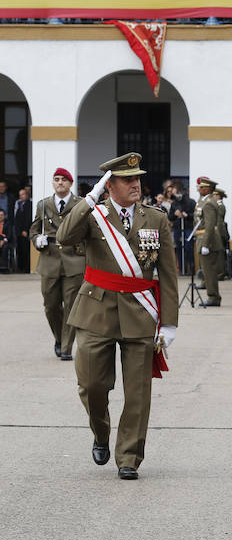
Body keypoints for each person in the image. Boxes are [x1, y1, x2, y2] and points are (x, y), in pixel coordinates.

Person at [56, 152, 178, 481]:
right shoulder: (93, 214)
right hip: (96, 310)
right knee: (92, 385)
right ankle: (100, 432)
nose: (136, 184)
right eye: (127, 180)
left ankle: (129, 456)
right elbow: (64, 237)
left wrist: (169, 323)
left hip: (140, 313)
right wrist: (89, 198)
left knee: (138, 391)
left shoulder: (155, 218)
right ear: (109, 185)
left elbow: (167, 273)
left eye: (137, 178)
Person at [29, 168, 86, 361]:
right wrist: (37, 240)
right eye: (56, 179)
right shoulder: (43, 205)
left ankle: (67, 348)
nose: (60, 182)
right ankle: (59, 339)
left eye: (63, 179)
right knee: (51, 305)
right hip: (50, 260)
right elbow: (34, 230)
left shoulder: (80, 204)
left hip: (74, 260)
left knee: (71, 305)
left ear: (71, 183)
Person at [194, 177, 222, 307]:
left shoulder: (209, 203)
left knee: (209, 271)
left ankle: (214, 297)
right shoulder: (203, 201)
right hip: (202, 238)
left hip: (208, 241)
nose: (199, 189)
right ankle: (212, 296)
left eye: (201, 187)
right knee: (206, 271)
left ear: (208, 189)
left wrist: (205, 244)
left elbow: (210, 226)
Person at [14, 188, 32, 272]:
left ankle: (26, 268)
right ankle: (20, 268)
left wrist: (25, 230)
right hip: (19, 232)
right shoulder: (19, 204)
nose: (21, 196)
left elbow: (28, 219)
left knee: (26, 251)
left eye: (23, 194)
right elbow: (17, 219)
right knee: (20, 251)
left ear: (27, 195)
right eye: (20, 195)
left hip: (26, 232)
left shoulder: (30, 204)